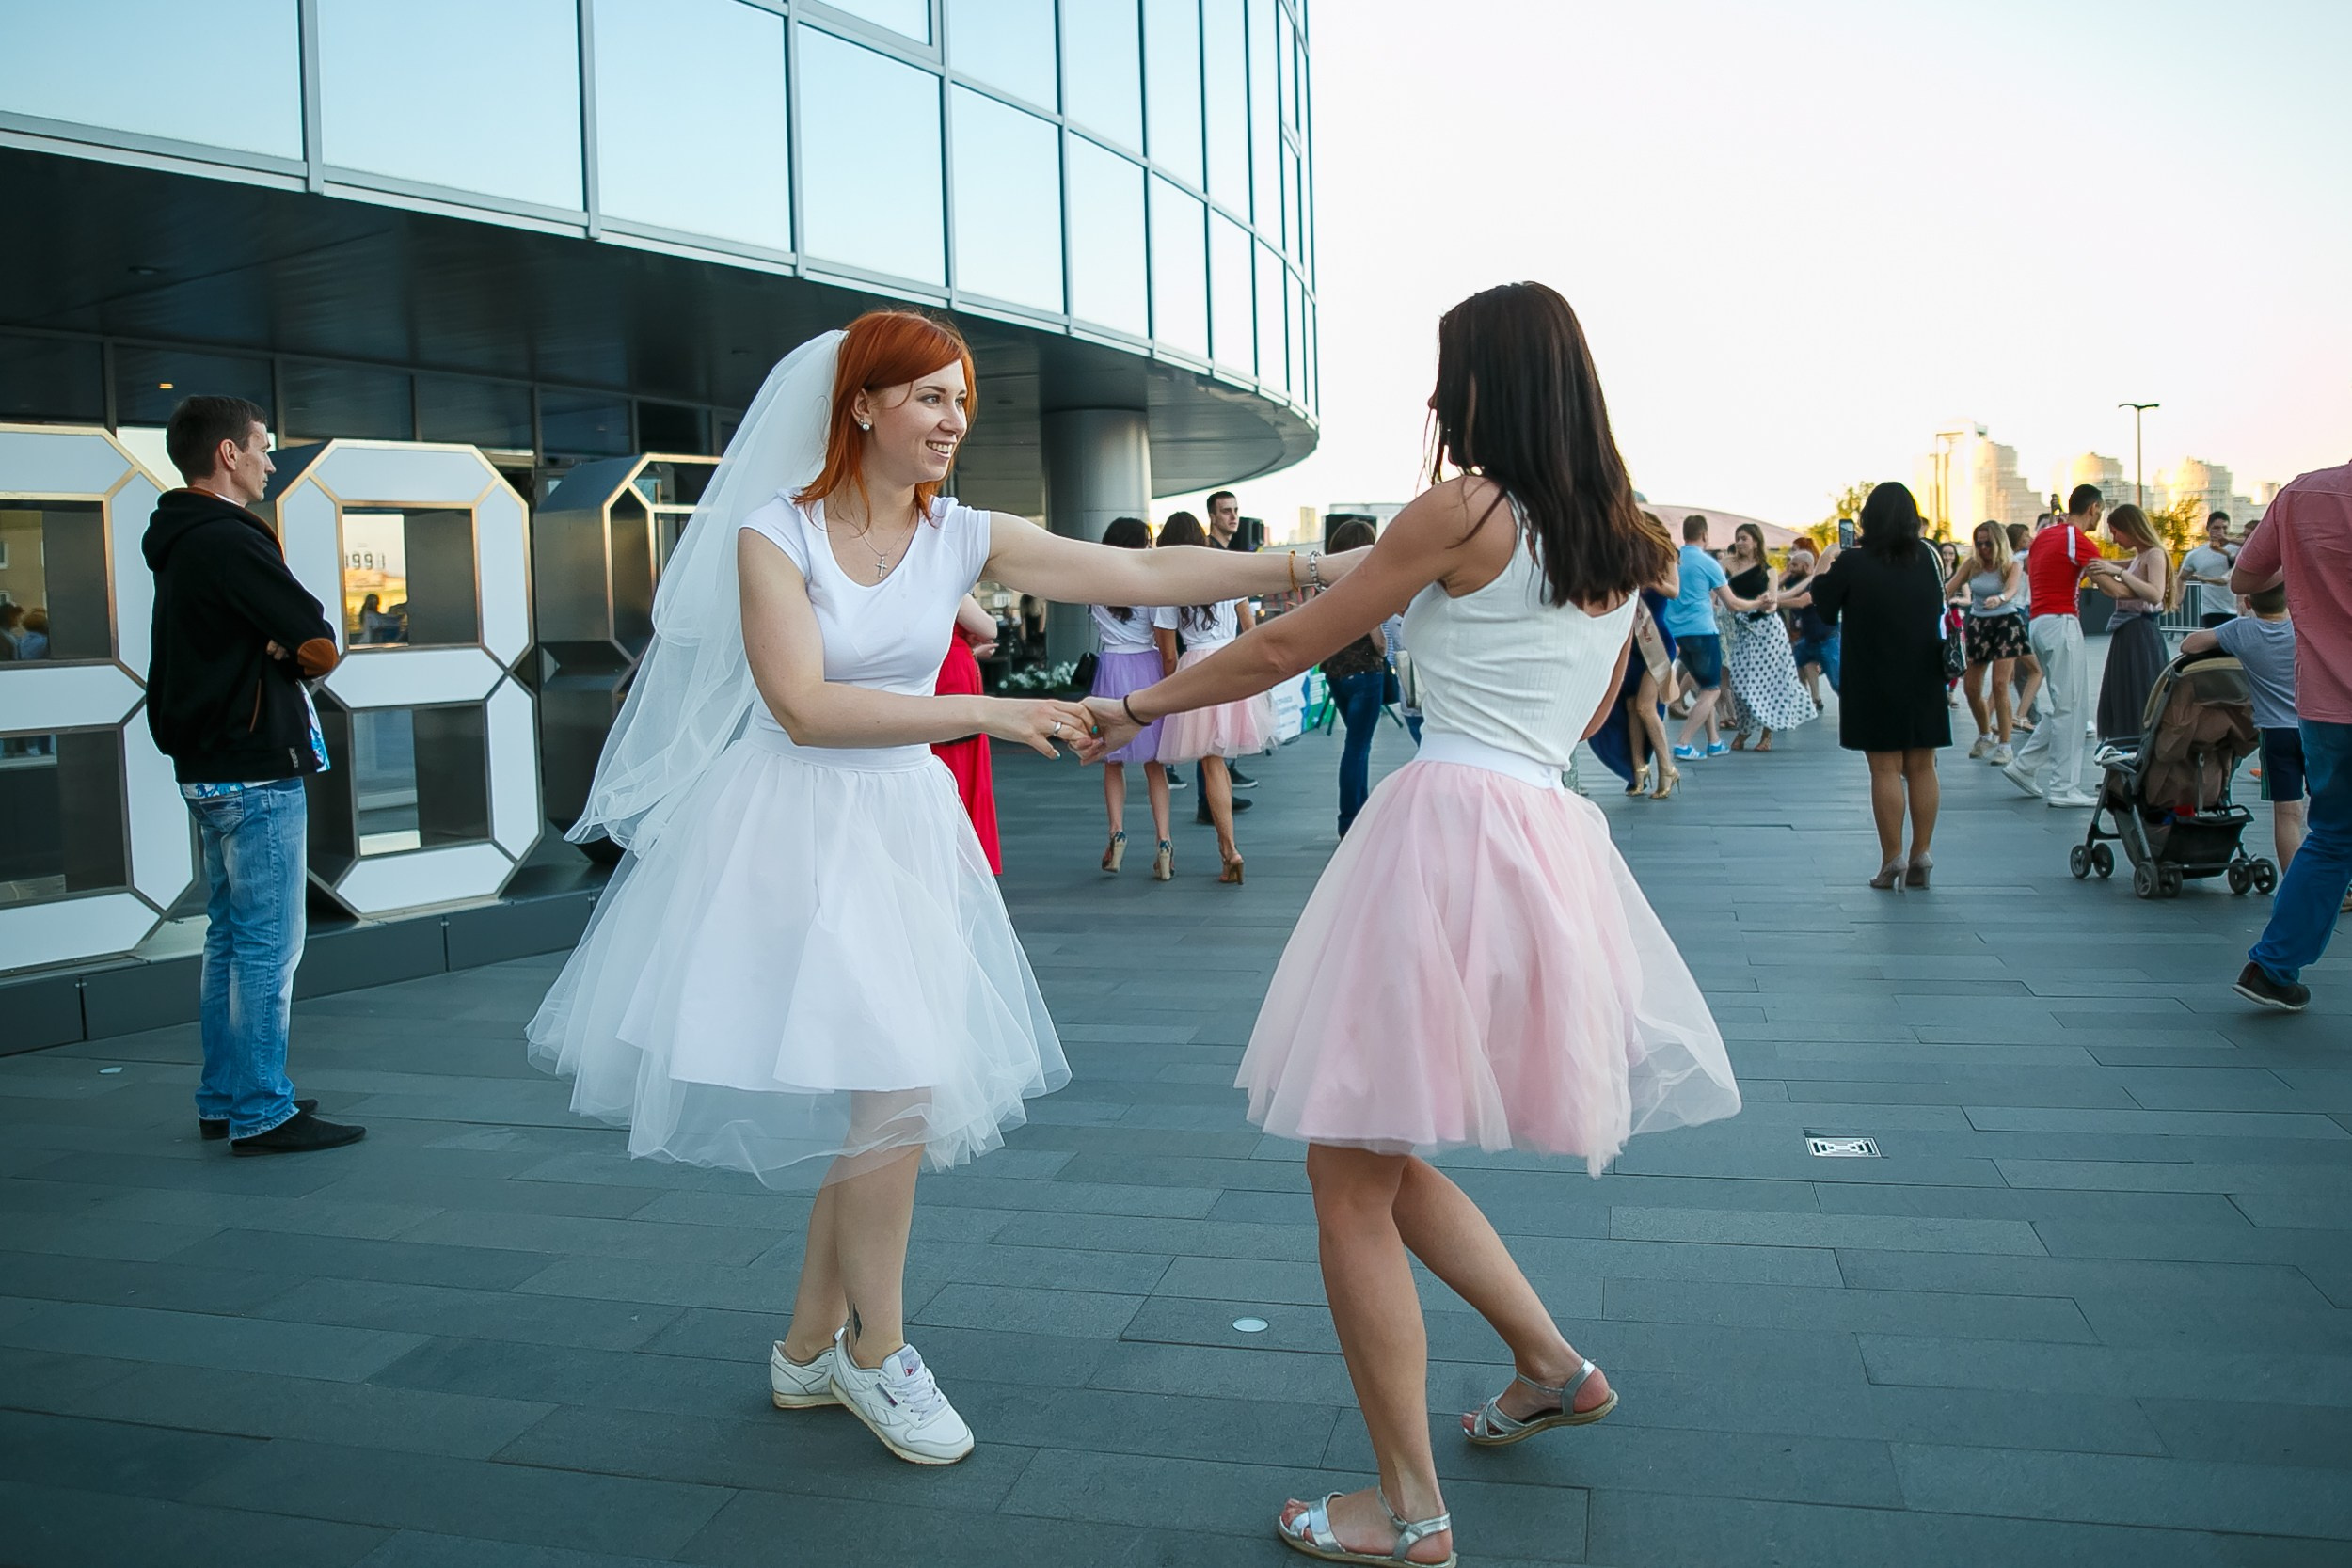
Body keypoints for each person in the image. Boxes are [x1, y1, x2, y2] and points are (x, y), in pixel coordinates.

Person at [528, 311, 1359, 1466]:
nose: (951, 419)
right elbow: (805, 708)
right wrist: (990, 709)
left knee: (888, 1085)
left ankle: (813, 1344)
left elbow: (1136, 569)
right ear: (860, 405)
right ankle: (876, 1353)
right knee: (897, 1087)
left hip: (902, 825)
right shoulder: (775, 535)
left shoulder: (960, 532)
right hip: (795, 826)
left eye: (959, 399)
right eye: (925, 396)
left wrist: (1312, 567)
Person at [1080, 281, 1738, 1568]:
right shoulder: (1622, 536)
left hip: (1443, 833)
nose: (1438, 399)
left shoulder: (1465, 507)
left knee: (1347, 1160)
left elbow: (1287, 650)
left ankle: (1413, 1510)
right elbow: (1596, 705)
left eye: (1452, 374)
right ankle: (1549, 1361)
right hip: (1544, 840)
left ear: (1492, 379)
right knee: (1371, 1142)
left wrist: (1134, 704)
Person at [143, 395, 362, 1156]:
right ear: (228, 455)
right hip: (254, 773)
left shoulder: (177, 537)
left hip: (206, 770)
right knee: (268, 945)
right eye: (263, 447)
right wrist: (289, 644)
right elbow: (317, 638)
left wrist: (279, 642)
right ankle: (263, 1109)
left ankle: (226, 1094)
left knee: (229, 940)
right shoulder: (230, 539)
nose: (271, 461)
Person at [2226, 458, 2352, 1011]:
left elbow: (2245, 579)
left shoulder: (2304, 493)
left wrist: (2311, 578)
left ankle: (2272, 967)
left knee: (2329, 838)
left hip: (2326, 704)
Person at [1804, 483, 1950, 888]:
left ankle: (1892, 860)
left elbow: (1826, 611)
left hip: (1873, 674)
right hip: (1924, 672)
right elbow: (1939, 606)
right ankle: (1922, 852)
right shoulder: (1929, 558)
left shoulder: (1853, 562)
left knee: (1885, 767)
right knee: (1923, 765)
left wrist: (1824, 566)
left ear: (1868, 520)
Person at [1152, 511, 1273, 880]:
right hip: (1230, 662)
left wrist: (1169, 689)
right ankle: (1227, 851)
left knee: (1210, 761)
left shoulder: (1170, 584)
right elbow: (1251, 628)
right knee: (1216, 760)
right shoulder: (1226, 569)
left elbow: (1168, 654)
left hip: (1197, 668)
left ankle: (1229, 850)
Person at [2003, 484, 2113, 807]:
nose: (2099, 519)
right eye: (2101, 513)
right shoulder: (2076, 540)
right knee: (2071, 709)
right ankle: (2064, 788)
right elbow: (2110, 588)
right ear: (2093, 508)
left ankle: (2024, 766)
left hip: (2039, 623)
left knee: (2069, 705)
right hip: (2062, 622)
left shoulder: (2048, 536)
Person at [2184, 587, 2300, 864]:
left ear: (2248, 602)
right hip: (2315, 728)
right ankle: (2339, 887)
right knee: (2329, 816)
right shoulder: (2302, 629)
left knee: (2287, 815)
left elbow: (2189, 645)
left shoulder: (2241, 630)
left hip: (2275, 734)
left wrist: (2241, 619)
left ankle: (2297, 893)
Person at [1086, 517, 1175, 879]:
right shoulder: (1149, 586)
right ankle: (1164, 843)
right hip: (1147, 669)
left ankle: (1116, 833)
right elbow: (1161, 635)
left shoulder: (1095, 584)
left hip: (1111, 669)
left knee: (1112, 762)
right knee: (1155, 764)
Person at [1721, 522, 1816, 752]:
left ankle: (1766, 734)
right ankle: (1745, 727)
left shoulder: (1769, 571)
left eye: (1744, 538)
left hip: (1768, 631)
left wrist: (1766, 603)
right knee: (1740, 683)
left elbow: (1772, 605)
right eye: (1738, 538)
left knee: (1772, 682)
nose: (1740, 542)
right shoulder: (1726, 564)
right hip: (1742, 630)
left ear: (1755, 542)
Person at [1322, 518, 1388, 834]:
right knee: (1358, 747)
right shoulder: (1367, 582)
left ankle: (1353, 816)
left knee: (1355, 744)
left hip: (1336, 673)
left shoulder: (1328, 583)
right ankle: (1351, 820)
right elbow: (1378, 641)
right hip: (1365, 672)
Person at [930, 594, 1002, 873]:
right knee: (961, 762)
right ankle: (962, 851)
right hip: (953, 670)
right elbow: (989, 628)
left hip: (933, 669)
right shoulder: (947, 578)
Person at [2091, 502, 2172, 744]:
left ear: (2131, 528)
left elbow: (2155, 593)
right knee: (2126, 693)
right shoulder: (2141, 556)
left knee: (2139, 693)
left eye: (2116, 532)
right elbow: (2119, 565)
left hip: (2141, 631)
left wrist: (2120, 573)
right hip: (2129, 632)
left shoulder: (2154, 555)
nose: (2114, 539)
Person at [1948, 521, 2027, 764]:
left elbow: (2013, 589)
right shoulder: (1973, 564)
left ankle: (2005, 745)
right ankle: (1985, 734)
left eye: (1988, 543)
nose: (1983, 548)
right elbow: (1949, 589)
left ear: (1999, 542)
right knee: (1971, 687)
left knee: (2001, 684)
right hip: (1979, 624)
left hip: (2006, 622)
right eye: (1979, 543)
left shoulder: (2011, 564)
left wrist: (2000, 598)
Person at [1204, 489, 1261, 790]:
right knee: (1212, 734)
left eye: (1236, 510)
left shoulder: (1225, 555)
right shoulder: (1211, 555)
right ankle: (1212, 797)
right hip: (1211, 650)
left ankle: (1220, 786)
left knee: (1216, 732)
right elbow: (1244, 615)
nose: (1234, 516)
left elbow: (1243, 613)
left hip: (1222, 647)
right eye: (1226, 511)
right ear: (1212, 516)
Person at [1663, 515, 1731, 758]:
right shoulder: (1708, 562)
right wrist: (1759, 602)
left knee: (1704, 686)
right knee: (1712, 690)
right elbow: (1731, 602)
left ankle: (1714, 741)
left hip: (1676, 632)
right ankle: (1683, 742)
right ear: (1705, 535)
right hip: (1702, 630)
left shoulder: (1674, 559)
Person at [2005, 521, 2043, 728]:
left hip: (2017, 613)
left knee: (2011, 673)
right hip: (2020, 614)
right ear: (2018, 540)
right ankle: (2020, 716)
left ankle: (2023, 715)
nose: (2029, 539)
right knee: (2035, 669)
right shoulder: (2021, 558)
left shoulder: (2010, 559)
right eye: (2026, 536)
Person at [2180, 513, 2239, 627]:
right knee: (2214, 644)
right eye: (2216, 528)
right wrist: (2178, 599)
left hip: (2236, 609)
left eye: (2225, 528)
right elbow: (2182, 578)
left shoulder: (2237, 550)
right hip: (2211, 610)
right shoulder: (2196, 554)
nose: (2221, 532)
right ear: (2208, 529)